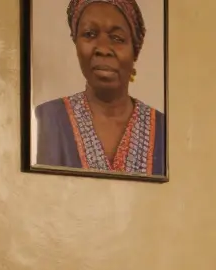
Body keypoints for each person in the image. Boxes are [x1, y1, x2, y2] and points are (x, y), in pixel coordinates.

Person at [34, 0, 166, 175]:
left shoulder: (165, 130)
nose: (103, 49)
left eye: (117, 38)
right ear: (76, 44)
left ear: (135, 50)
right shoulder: (45, 120)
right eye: (89, 34)